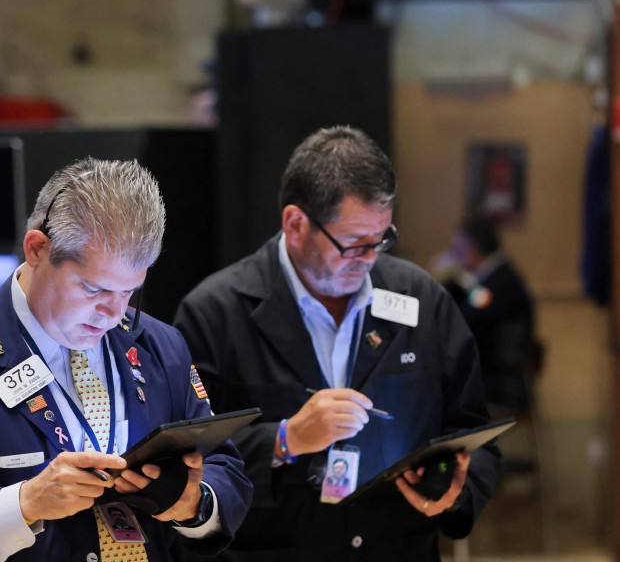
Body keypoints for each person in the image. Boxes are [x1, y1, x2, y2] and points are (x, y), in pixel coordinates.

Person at [0, 158, 252, 561]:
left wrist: (195, 504)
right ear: (37, 249)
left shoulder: (161, 345)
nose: (112, 314)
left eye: (129, 292)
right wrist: (24, 504)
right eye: (93, 289)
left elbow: (225, 467)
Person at [174, 126, 501, 562]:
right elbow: (190, 456)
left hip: (398, 548)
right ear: (295, 224)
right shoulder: (214, 313)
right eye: (353, 245)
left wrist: (455, 491)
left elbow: (473, 433)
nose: (369, 260)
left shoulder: (419, 298)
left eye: (380, 239)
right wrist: (286, 439)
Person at [437, 216, 537, 415]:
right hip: (491, 379)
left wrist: (451, 276)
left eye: (458, 249)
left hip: (499, 388)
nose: (455, 256)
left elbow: (464, 321)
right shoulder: (492, 278)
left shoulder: (501, 283)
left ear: (472, 249)